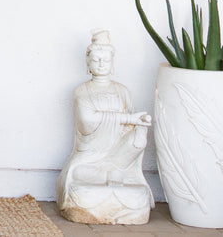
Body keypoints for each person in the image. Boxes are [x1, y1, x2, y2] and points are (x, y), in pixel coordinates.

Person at [57, 29, 153, 224]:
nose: (101, 64)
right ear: (88, 63)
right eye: (96, 60)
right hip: (89, 160)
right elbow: (87, 120)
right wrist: (129, 118)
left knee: (138, 140)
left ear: (112, 63)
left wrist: (139, 125)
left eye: (105, 60)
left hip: (118, 158)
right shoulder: (82, 91)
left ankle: (114, 175)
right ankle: (110, 177)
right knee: (81, 190)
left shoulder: (122, 91)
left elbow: (128, 132)